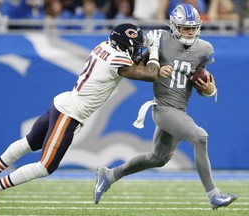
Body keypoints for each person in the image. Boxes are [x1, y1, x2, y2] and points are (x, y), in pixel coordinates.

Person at [0, 22, 161, 216]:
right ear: (124, 46)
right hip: (70, 112)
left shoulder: (105, 47)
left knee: (29, 143)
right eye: (134, 47)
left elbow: (135, 66)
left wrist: (148, 53)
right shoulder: (118, 59)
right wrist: (154, 51)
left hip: (64, 102)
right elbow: (150, 74)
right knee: (46, 166)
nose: (136, 51)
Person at [94, 4, 238, 210]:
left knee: (158, 158)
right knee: (200, 137)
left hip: (179, 110)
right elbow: (136, 69)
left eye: (193, 28)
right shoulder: (159, 39)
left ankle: (110, 175)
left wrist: (210, 89)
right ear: (173, 26)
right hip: (162, 108)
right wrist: (156, 69)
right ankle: (213, 195)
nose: (190, 32)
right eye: (185, 28)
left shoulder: (204, 49)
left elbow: (199, 83)